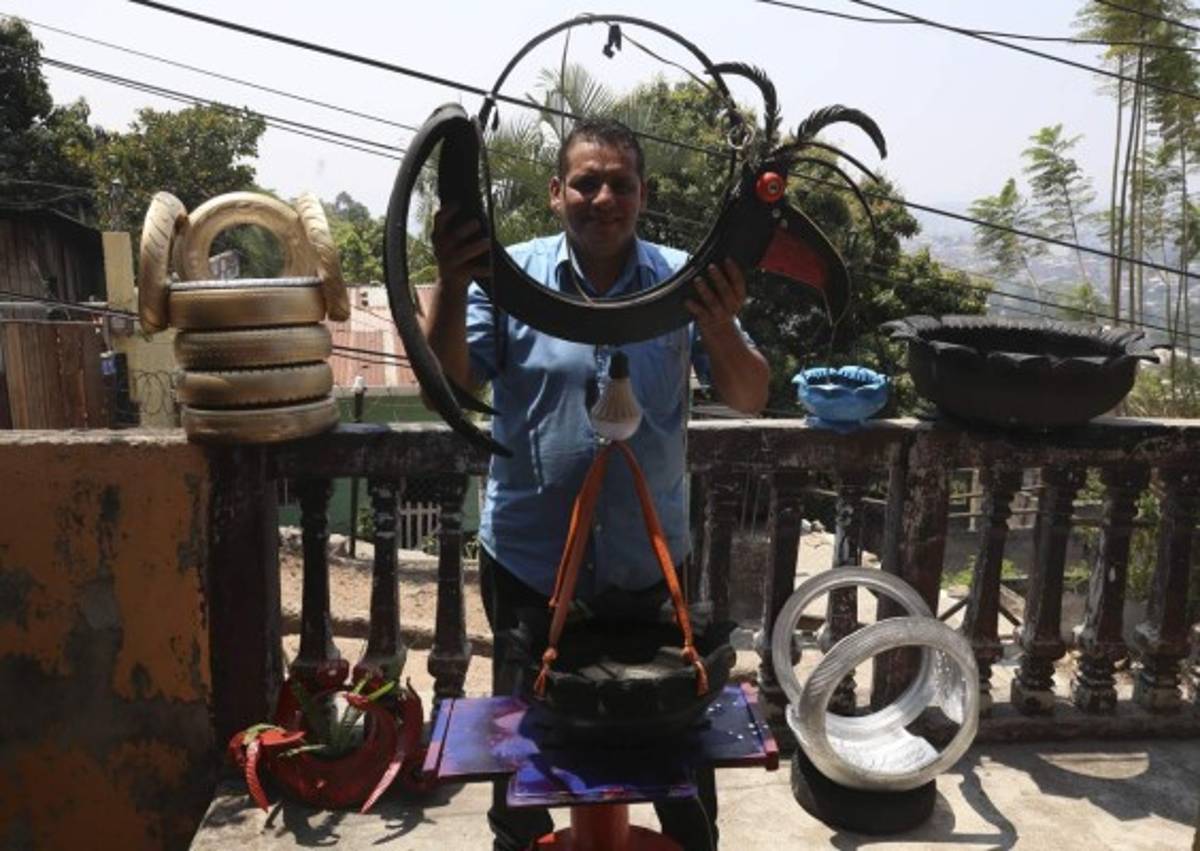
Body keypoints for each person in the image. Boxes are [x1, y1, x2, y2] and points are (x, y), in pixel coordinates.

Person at [423, 117, 768, 851]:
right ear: (556, 192)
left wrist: (721, 327)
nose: (602, 197)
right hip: (529, 565)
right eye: (586, 181)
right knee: (524, 751)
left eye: (620, 183)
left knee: (676, 746)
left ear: (643, 196)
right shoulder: (506, 275)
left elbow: (750, 394)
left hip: (650, 565)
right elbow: (450, 382)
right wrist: (451, 285)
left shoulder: (688, 279)